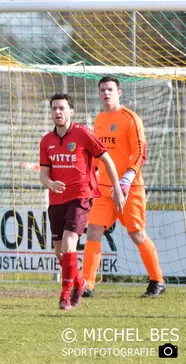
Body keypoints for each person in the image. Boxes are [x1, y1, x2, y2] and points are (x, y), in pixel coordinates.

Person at [82, 76, 165, 298]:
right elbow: (99, 155)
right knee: (94, 230)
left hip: (130, 188)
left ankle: (157, 280)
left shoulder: (131, 119)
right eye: (102, 90)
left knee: (137, 234)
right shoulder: (99, 119)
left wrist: (127, 179)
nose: (106, 93)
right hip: (103, 188)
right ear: (99, 94)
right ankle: (87, 284)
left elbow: (139, 153)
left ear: (119, 93)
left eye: (110, 89)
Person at [39, 93, 124, 310]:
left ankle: (65, 296)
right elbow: (43, 176)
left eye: (62, 108)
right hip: (57, 200)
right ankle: (79, 283)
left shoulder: (83, 133)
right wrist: (51, 184)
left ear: (71, 112)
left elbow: (106, 159)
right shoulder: (46, 141)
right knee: (59, 251)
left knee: (69, 243)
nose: (58, 112)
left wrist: (117, 188)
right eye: (54, 108)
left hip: (81, 196)